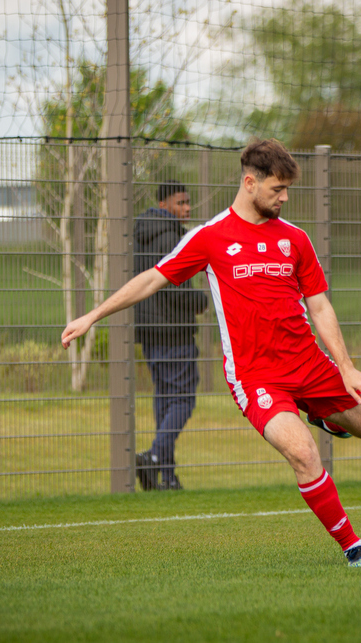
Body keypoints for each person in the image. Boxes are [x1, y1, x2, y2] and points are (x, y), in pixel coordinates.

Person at [62, 139, 361, 567]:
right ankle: (353, 547)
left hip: (309, 364)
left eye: (288, 189)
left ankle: (321, 413)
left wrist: (346, 368)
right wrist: (93, 316)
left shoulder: (296, 239)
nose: (284, 198)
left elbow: (320, 306)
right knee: (304, 454)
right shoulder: (210, 237)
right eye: (277, 189)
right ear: (250, 183)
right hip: (257, 378)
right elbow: (152, 279)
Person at [133, 181, 209, 492]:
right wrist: (202, 300)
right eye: (181, 202)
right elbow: (175, 289)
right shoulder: (170, 238)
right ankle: (153, 457)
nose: (187, 208)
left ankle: (167, 475)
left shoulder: (142, 235)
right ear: (164, 205)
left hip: (150, 333)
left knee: (165, 400)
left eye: (188, 202)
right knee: (182, 399)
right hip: (174, 332)